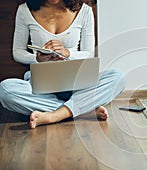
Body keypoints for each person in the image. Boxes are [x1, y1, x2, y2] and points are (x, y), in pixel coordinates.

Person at [0, 0, 125, 128]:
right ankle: (83, 110)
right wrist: (37, 59)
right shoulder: (24, 10)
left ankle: (54, 115)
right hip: (40, 85)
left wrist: (67, 53)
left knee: (117, 77)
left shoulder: (84, 11)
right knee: (5, 90)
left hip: (76, 84)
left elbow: (88, 53)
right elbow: (17, 52)